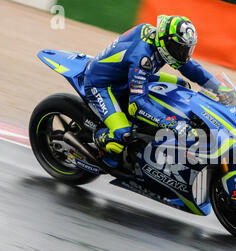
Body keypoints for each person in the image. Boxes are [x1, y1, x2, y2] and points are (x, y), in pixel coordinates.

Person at [83, 15, 225, 167]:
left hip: (131, 75)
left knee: (182, 84)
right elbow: (137, 105)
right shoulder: (143, 57)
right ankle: (99, 139)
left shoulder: (163, 43)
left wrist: (220, 89)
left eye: (186, 49)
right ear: (166, 42)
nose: (183, 54)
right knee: (123, 135)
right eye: (179, 49)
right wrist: (172, 125)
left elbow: (193, 70)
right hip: (104, 84)